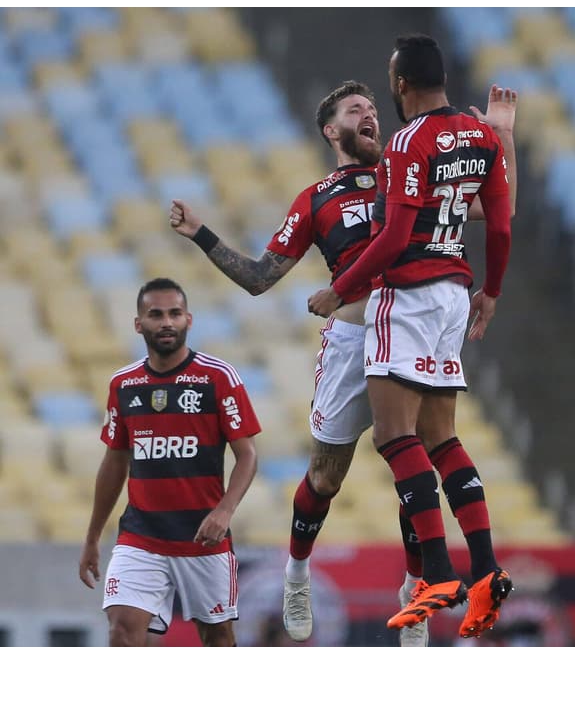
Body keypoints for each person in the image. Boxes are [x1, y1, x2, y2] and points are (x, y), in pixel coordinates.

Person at [170, 79, 517, 646]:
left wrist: (504, 140)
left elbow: (498, 203)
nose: (371, 116)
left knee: (416, 455)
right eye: (357, 111)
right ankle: (298, 571)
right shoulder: (316, 199)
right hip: (354, 336)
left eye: (374, 108)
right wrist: (201, 235)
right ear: (332, 131)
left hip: (408, 319)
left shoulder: (415, 166)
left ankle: (416, 588)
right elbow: (260, 278)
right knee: (326, 476)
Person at [307, 33, 514, 638]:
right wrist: (492, 293)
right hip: (455, 292)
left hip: (409, 294)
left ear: (400, 85)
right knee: (443, 440)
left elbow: (394, 239)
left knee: (396, 438)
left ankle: (437, 574)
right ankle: (486, 567)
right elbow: (499, 225)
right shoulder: (482, 138)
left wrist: (339, 288)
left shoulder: (406, 142)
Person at [77, 277, 260, 647]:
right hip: (140, 536)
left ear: (188, 320)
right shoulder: (123, 385)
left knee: (219, 640)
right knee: (122, 631)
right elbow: (114, 462)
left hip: (202, 539)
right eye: (156, 314)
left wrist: (224, 512)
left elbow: (247, 456)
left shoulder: (217, 378)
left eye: (175, 313)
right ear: (138, 324)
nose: (166, 322)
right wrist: (93, 536)